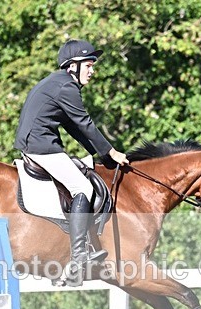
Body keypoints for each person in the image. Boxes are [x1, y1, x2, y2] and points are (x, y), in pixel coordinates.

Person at [14, 39, 129, 286]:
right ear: (72, 66)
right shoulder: (66, 87)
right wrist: (111, 152)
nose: (92, 70)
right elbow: (85, 124)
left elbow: (75, 128)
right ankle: (78, 257)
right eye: (88, 65)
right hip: (41, 146)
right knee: (83, 188)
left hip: (37, 142)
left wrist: (101, 156)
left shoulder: (59, 83)